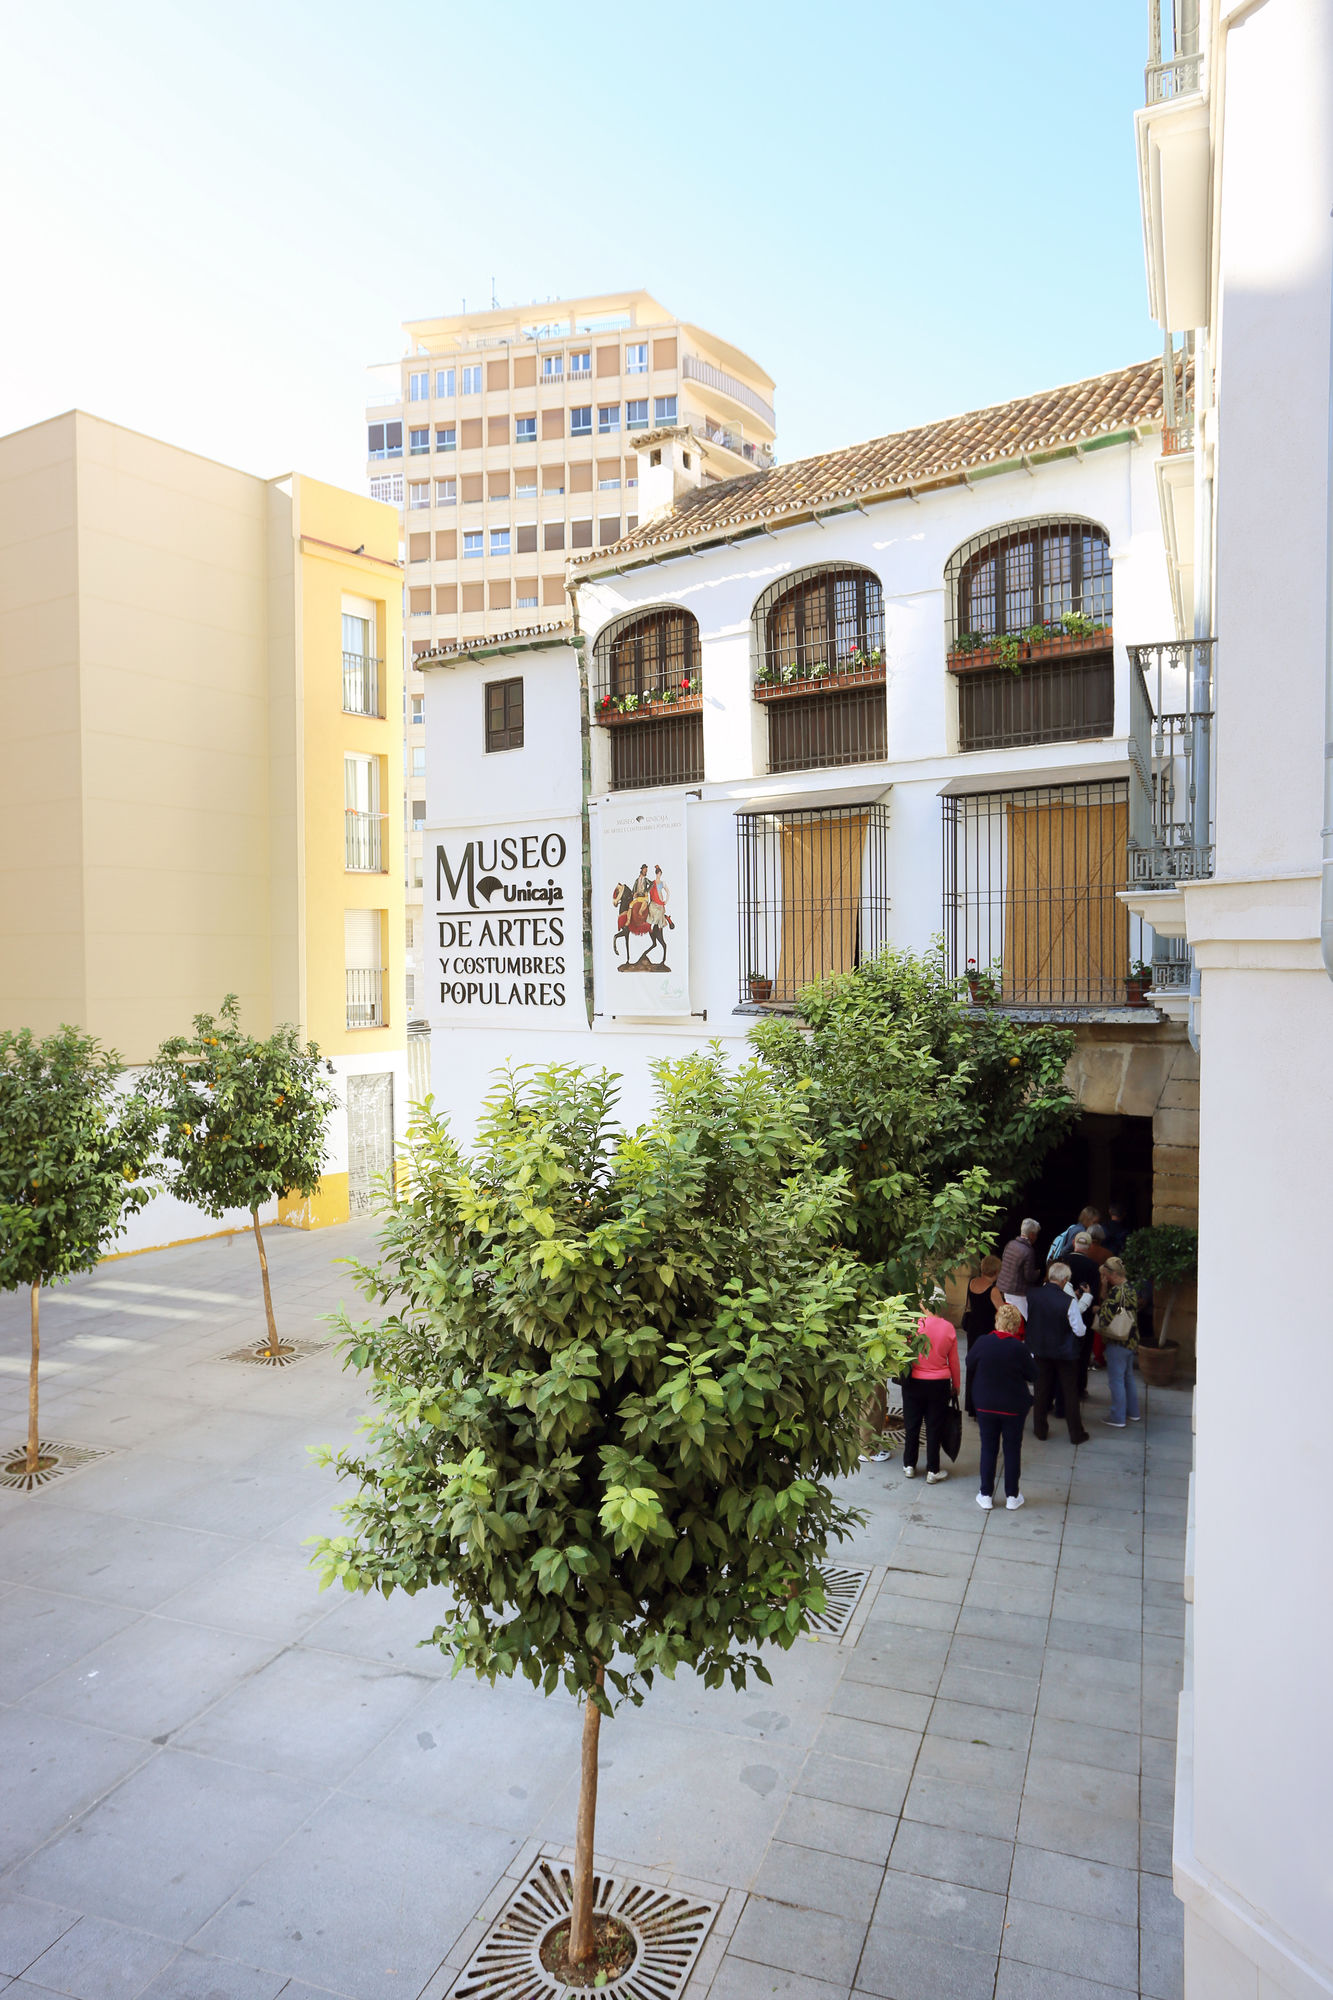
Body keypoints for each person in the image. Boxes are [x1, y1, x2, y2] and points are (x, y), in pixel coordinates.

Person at [966, 1302, 1036, 1510]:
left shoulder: (982, 1342)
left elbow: (970, 1362)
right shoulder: (1019, 1348)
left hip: (986, 1403)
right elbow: (1034, 1375)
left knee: (988, 1447)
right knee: (1012, 1449)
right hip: (1013, 1406)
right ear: (1015, 1326)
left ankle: (986, 1493)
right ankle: (1012, 1496)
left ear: (997, 1321)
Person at [1027, 1260, 1092, 1446]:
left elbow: (1030, 1318)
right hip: (1064, 1352)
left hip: (1040, 1350)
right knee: (1070, 1392)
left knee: (1040, 1391)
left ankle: (1040, 1430)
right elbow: (1080, 1330)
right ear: (1064, 1280)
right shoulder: (1068, 1301)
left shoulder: (1032, 1295)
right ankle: (1076, 1433)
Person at [901, 1307, 960, 1484]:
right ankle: (932, 1469)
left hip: (913, 1382)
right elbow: (954, 1361)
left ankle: (909, 1465)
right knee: (934, 1426)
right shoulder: (948, 1328)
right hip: (938, 1384)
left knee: (912, 1424)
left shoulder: (912, 1325)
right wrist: (956, 1385)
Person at [1095, 1255, 1142, 1427]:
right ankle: (1133, 1412)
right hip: (1131, 1340)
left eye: (1106, 1275)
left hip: (1118, 1341)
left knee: (1116, 1380)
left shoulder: (1116, 1292)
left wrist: (1098, 1308)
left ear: (1113, 1274)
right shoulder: (1130, 1288)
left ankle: (1117, 1417)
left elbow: (1106, 1317)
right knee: (1128, 1378)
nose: (1105, 1278)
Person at [1065, 1230, 1104, 1396]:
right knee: (1082, 1354)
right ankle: (1079, 1388)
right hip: (1084, 1316)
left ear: (1074, 1243)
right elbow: (1094, 1293)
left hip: (1063, 1314)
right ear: (1088, 1248)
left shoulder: (1063, 1261)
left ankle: (1061, 1388)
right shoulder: (1093, 1267)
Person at [997, 1221, 1041, 1319]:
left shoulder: (1010, 1244)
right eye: (1036, 1235)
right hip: (1017, 1291)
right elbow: (1029, 1276)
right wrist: (1038, 1273)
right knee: (1024, 1319)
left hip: (1004, 1288)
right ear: (1031, 1235)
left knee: (1007, 1319)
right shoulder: (1028, 1251)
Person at [960, 1255, 1002, 1347]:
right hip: (987, 1328)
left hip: (972, 1326)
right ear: (996, 1272)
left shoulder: (972, 1281)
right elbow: (1002, 1311)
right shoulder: (993, 1290)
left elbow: (969, 1304)